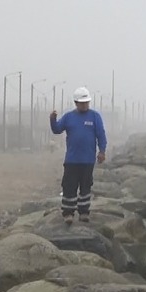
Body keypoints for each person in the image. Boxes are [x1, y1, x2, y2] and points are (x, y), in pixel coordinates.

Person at [49, 86, 107, 224]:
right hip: (72, 160)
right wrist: (53, 120)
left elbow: (101, 135)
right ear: (76, 103)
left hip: (87, 160)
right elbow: (57, 130)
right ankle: (68, 213)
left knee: (85, 187)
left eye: (87, 102)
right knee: (69, 186)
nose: (85, 105)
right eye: (82, 103)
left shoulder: (95, 116)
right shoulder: (69, 117)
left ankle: (84, 212)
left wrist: (102, 151)